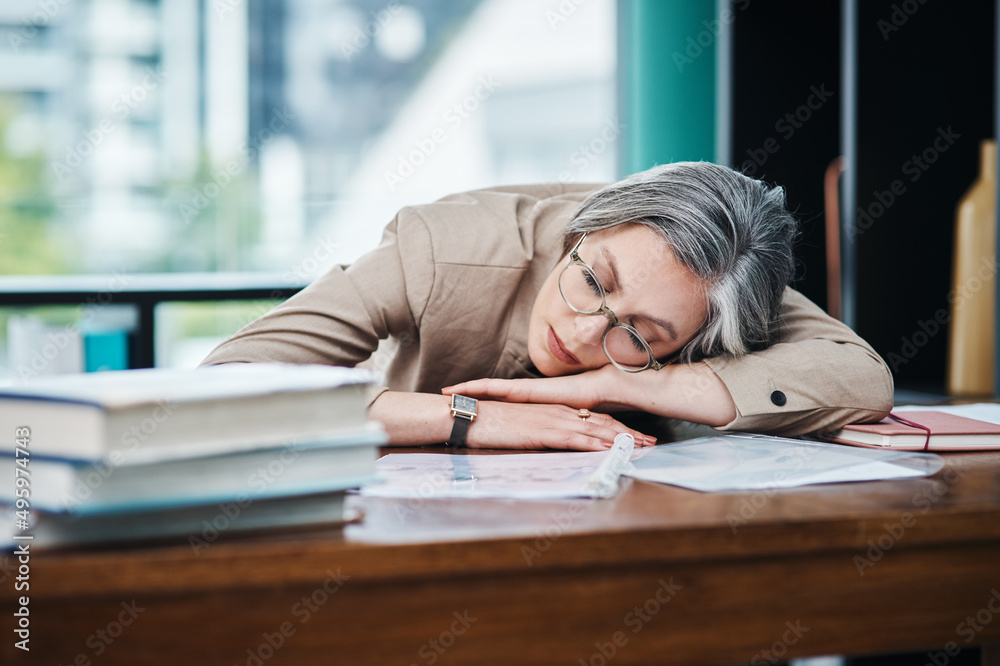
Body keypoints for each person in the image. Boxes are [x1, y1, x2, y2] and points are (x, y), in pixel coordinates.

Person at [201, 162, 893, 450]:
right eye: (592, 280)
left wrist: (621, 381)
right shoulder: (448, 249)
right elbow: (228, 382)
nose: (585, 330)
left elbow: (863, 376)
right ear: (580, 233)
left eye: (640, 334)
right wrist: (471, 418)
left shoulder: (719, 279)